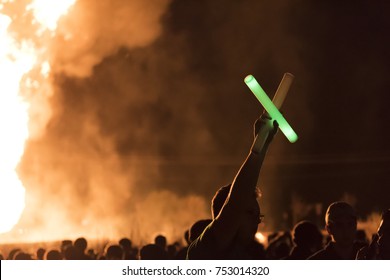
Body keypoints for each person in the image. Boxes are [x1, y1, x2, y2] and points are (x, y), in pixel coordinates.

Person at [187, 113, 278, 259]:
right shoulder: (207, 247)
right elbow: (237, 200)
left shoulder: (254, 255)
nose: (256, 222)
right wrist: (259, 148)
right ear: (222, 213)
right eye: (249, 213)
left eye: (258, 217)